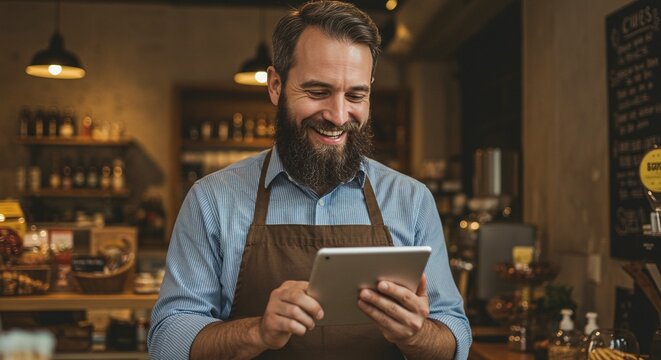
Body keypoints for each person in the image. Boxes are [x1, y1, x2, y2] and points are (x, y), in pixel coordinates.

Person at [148, 1, 471, 359]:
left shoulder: (411, 200)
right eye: (318, 92)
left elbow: (454, 334)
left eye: (355, 95)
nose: (337, 115)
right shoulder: (212, 200)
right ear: (275, 85)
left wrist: (416, 335)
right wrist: (258, 332)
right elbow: (168, 341)